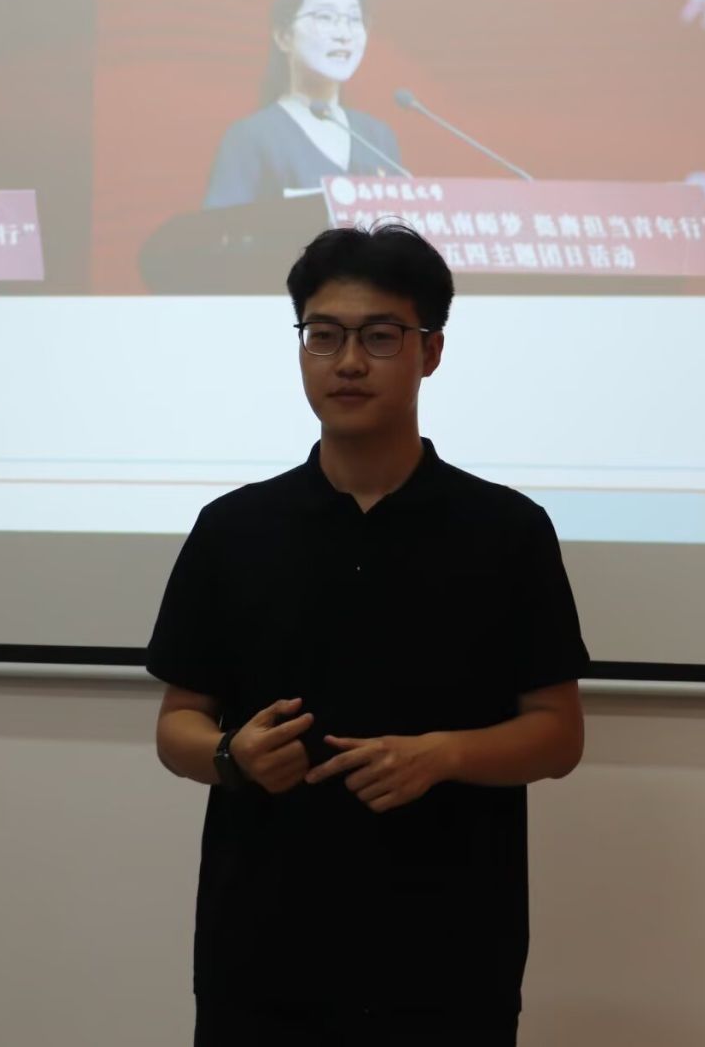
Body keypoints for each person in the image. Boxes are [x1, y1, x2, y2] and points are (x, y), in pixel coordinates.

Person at [147, 223, 590, 1046]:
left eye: (380, 336)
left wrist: (444, 754)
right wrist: (230, 754)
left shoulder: (506, 530)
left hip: (448, 956)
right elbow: (178, 724)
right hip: (262, 955)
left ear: (431, 351)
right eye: (324, 335)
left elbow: (558, 733)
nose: (348, 361)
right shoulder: (234, 529)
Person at [202, 0, 408, 209]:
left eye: (354, 19)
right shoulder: (250, 138)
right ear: (283, 36)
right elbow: (222, 229)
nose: (343, 34)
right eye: (325, 17)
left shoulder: (378, 138)